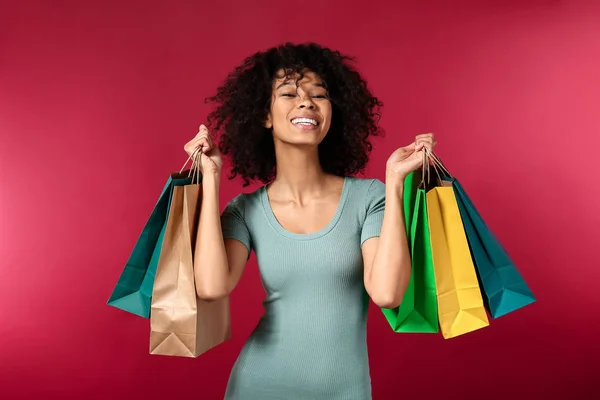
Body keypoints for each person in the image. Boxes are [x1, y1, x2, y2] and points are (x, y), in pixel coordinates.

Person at [184, 42, 435, 400]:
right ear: (265, 116)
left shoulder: (370, 198)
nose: (306, 102)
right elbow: (211, 286)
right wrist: (211, 179)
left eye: (319, 94)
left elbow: (386, 292)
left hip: (345, 392)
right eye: (288, 93)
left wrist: (395, 182)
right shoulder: (246, 211)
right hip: (258, 386)